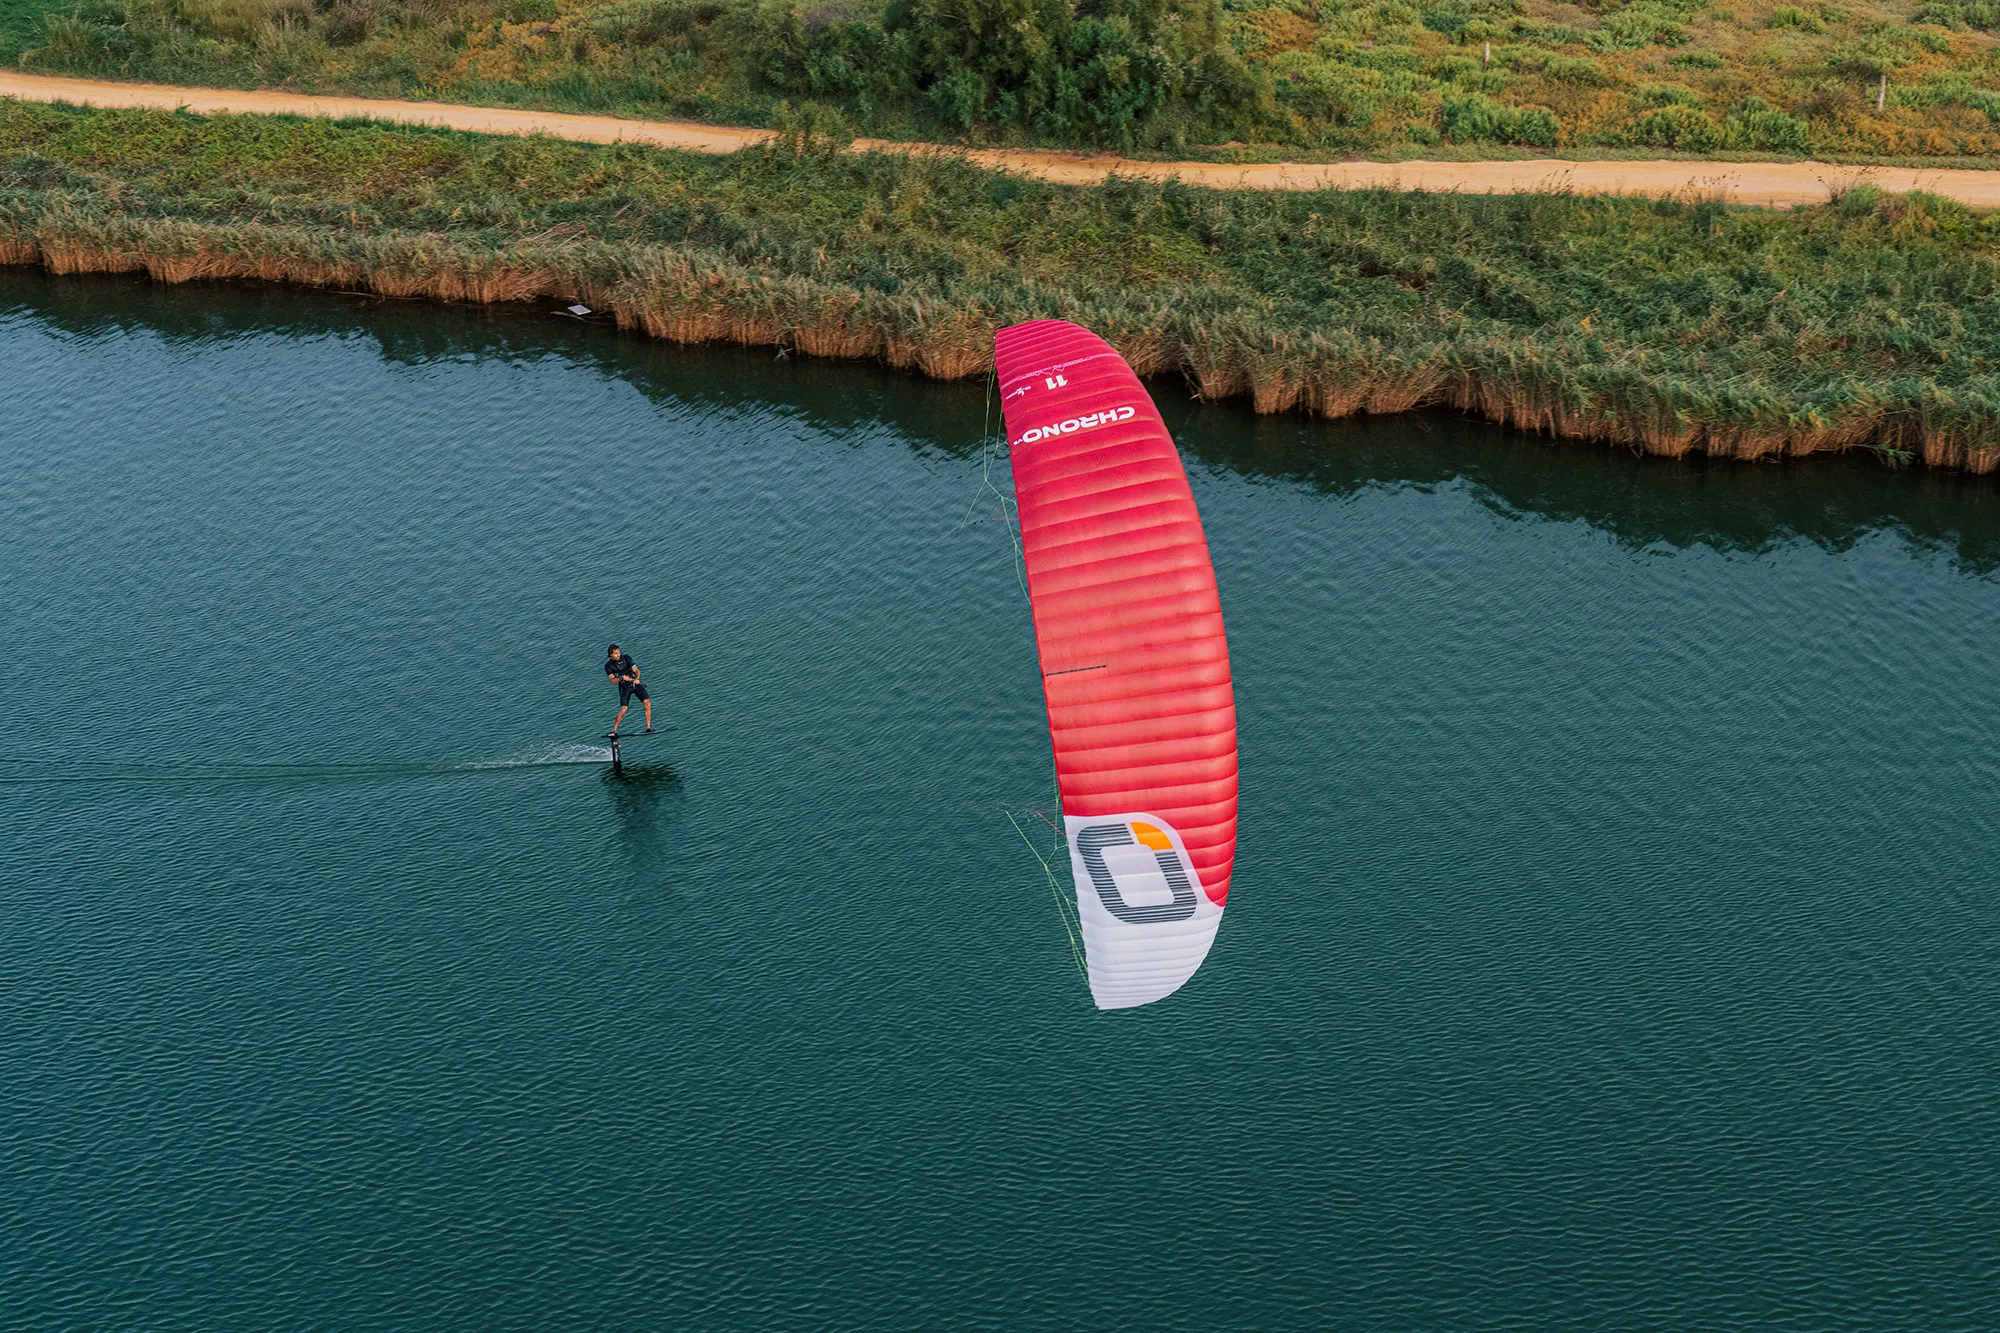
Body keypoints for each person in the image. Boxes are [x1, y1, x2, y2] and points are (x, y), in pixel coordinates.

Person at [604, 643, 653, 735]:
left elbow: (637, 670)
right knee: (624, 709)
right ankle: (614, 731)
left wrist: (637, 679)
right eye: (615, 653)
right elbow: (612, 681)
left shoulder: (626, 658)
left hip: (635, 683)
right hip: (624, 687)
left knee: (647, 702)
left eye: (619, 652)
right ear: (611, 655)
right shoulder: (608, 666)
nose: (618, 654)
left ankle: (648, 728)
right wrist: (622, 677)